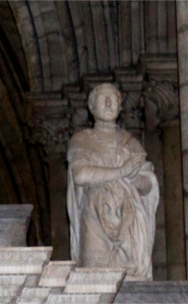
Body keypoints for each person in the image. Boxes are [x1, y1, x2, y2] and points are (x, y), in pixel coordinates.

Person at [67, 83, 159, 281]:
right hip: (95, 218)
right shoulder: (82, 140)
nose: (108, 103)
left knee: (131, 281)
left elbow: (148, 185)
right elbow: (81, 175)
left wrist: (134, 178)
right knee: (94, 280)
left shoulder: (132, 143)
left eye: (113, 99)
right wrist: (121, 171)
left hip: (128, 219)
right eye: (102, 98)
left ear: (120, 106)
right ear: (91, 108)